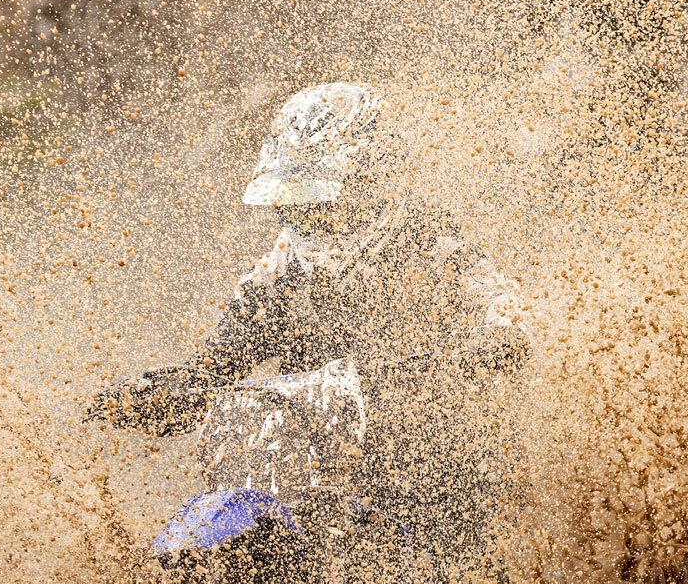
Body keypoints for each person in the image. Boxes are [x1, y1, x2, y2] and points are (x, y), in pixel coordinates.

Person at [89, 81, 529, 431]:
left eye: (316, 200)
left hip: (436, 456)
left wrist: (493, 342)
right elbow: (218, 365)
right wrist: (171, 393)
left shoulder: (429, 238)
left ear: (376, 182)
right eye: (291, 201)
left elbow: (504, 303)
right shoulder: (280, 269)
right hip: (315, 463)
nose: (304, 216)